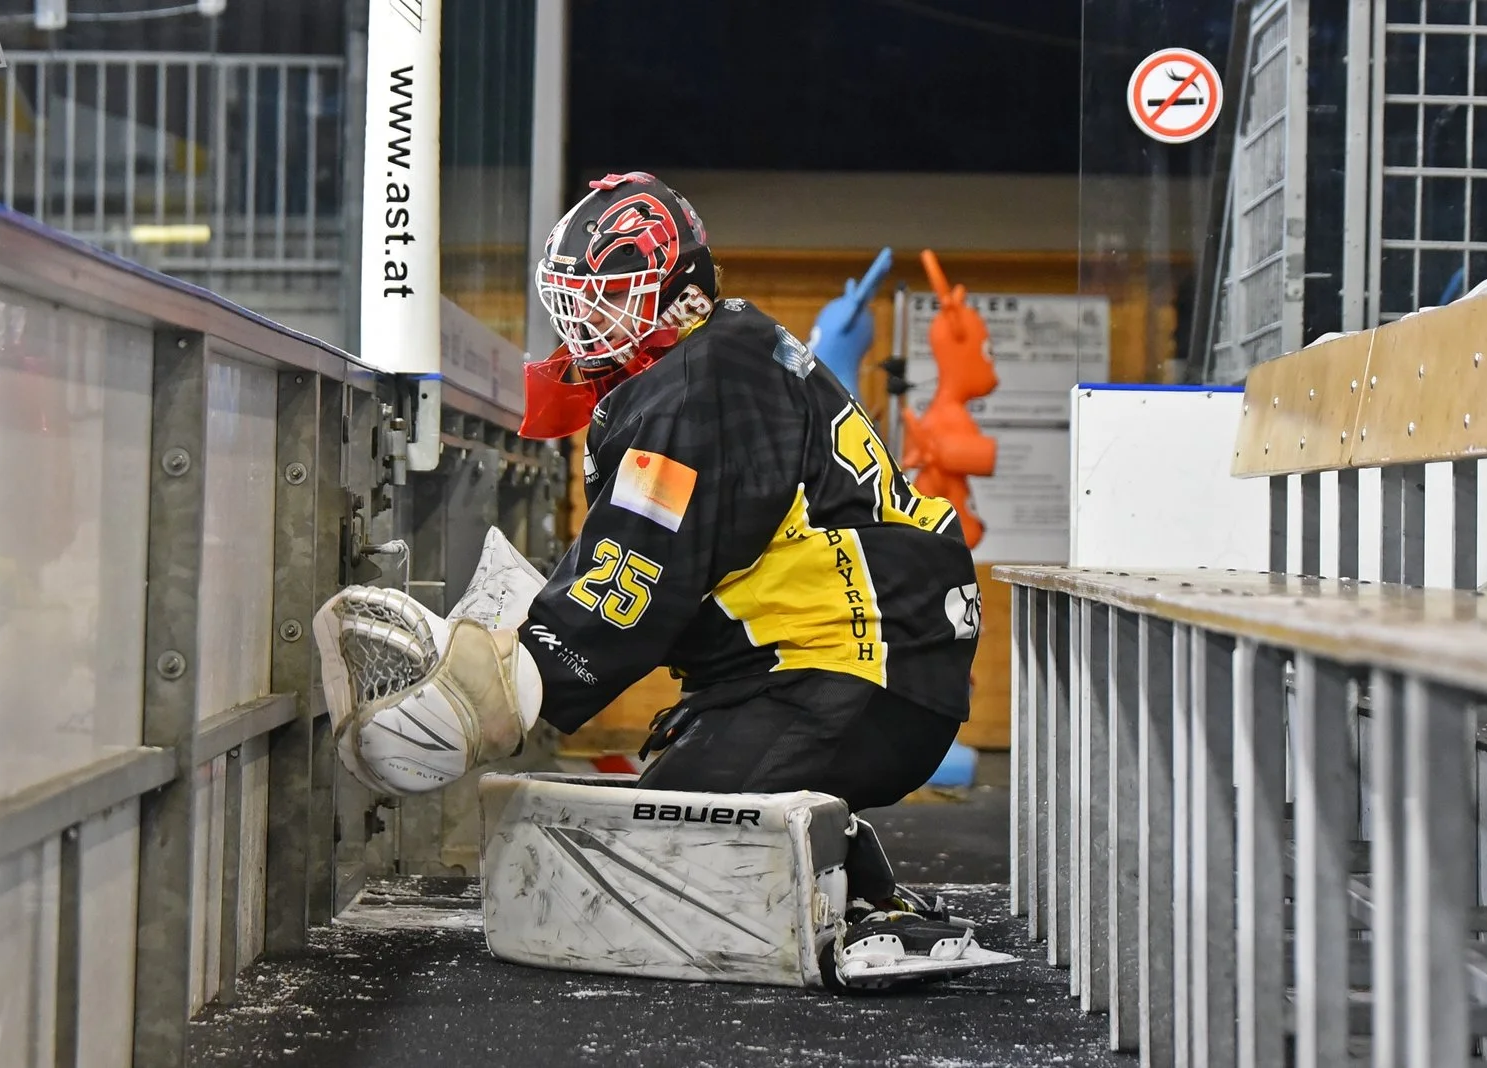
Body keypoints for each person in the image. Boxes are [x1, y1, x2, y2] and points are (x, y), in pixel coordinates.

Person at [316, 171, 989, 987]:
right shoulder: (723, 356)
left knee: (643, 857)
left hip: (850, 674)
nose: (586, 321)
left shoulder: (696, 384)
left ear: (681, 292)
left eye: (611, 296)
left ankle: (854, 906)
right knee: (655, 820)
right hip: (851, 668)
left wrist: (497, 686)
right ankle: (845, 873)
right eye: (576, 298)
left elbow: (637, 574)